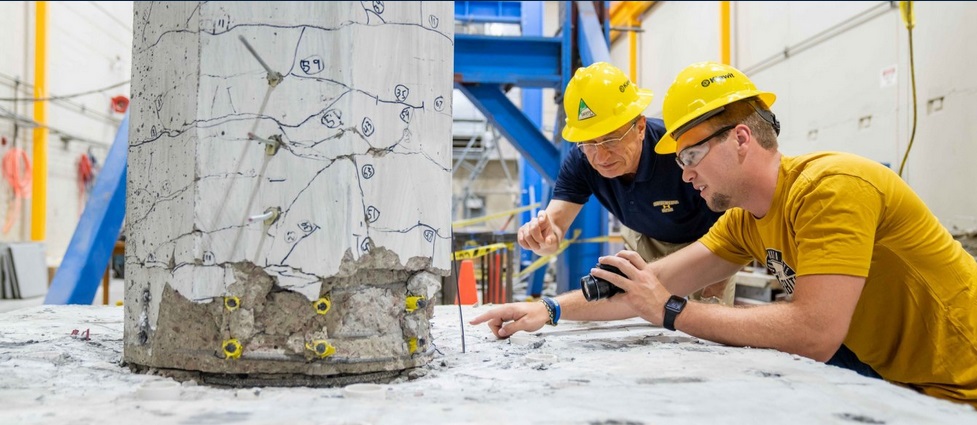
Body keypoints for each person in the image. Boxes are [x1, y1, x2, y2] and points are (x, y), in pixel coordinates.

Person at [472, 61, 977, 408]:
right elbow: (647, 287)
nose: (685, 175)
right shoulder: (743, 221)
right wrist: (547, 310)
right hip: (880, 368)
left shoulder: (831, 188)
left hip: (955, 384)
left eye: (690, 157)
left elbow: (814, 333)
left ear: (740, 139)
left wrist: (673, 310)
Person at [519, 62, 733, 305]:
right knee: (646, 317)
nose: (600, 157)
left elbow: (728, 228)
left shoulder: (678, 150)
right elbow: (554, 225)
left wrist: (713, 294)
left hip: (705, 242)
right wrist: (544, 240)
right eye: (589, 143)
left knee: (708, 324)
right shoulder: (582, 158)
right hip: (645, 236)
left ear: (640, 127)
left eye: (611, 140)